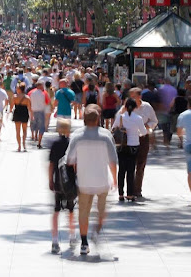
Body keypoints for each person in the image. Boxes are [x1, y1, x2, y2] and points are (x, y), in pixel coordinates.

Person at [66, 104, 118, 256]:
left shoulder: (77, 136)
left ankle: (84, 243)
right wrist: (115, 179)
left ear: (84, 119)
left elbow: (69, 160)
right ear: (97, 120)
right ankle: (96, 231)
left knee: (83, 212)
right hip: (102, 181)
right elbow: (113, 161)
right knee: (101, 211)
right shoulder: (106, 136)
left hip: (84, 181)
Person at [113, 97, 148, 202]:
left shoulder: (120, 117)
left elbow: (113, 128)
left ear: (125, 106)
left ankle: (120, 193)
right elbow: (143, 132)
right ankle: (130, 194)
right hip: (133, 145)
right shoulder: (138, 118)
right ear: (135, 107)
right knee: (131, 169)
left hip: (121, 146)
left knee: (121, 170)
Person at [49, 118, 75, 254]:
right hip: (69, 181)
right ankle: (71, 236)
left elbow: (51, 164)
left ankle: (54, 240)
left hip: (58, 180)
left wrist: (50, 180)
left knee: (56, 210)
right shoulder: (72, 144)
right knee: (71, 210)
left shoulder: (55, 144)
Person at [29, 80, 49, 149]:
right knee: (41, 127)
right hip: (41, 111)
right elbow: (47, 102)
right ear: (40, 86)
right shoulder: (44, 93)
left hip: (33, 111)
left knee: (33, 124)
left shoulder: (31, 93)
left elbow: (29, 102)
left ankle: (34, 136)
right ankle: (39, 142)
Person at [12, 83, 31, 152]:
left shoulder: (15, 97)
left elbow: (12, 106)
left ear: (20, 89)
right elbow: (29, 108)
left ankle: (19, 146)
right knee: (24, 130)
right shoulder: (27, 98)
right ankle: (24, 143)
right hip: (24, 113)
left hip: (17, 113)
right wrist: (32, 116)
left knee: (17, 131)